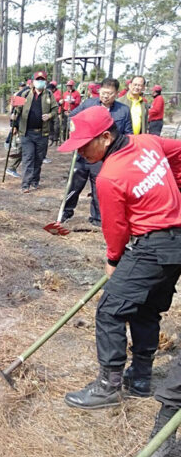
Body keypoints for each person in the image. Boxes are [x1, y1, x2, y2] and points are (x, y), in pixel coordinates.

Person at [59, 105, 181, 412]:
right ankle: (140, 377)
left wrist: (113, 261)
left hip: (152, 247)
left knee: (110, 310)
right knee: (145, 308)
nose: (81, 153)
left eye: (85, 145)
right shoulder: (148, 143)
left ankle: (108, 386)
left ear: (105, 136)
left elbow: (116, 229)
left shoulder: (109, 176)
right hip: (176, 244)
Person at [62, 78, 133, 226]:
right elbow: (72, 117)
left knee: (98, 188)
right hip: (84, 154)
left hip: (104, 157)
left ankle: (97, 219)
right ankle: (65, 213)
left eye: (110, 93)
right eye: (103, 92)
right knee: (74, 185)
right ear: (99, 91)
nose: (106, 96)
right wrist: (73, 128)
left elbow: (128, 134)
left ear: (117, 94)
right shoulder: (88, 104)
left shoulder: (123, 110)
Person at [11, 71, 58, 193]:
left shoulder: (49, 95)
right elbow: (16, 109)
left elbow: (55, 109)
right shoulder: (25, 93)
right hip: (27, 133)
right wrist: (13, 120)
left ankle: (34, 181)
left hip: (42, 133)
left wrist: (49, 115)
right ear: (33, 81)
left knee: (39, 158)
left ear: (45, 82)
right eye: (38, 79)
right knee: (28, 157)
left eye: (42, 79)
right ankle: (25, 184)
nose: (40, 81)